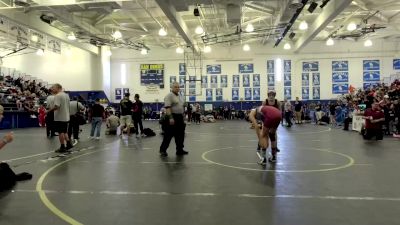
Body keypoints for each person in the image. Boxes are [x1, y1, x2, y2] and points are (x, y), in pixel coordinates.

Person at [159, 82, 188, 157]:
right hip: (172, 117)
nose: (177, 88)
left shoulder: (180, 96)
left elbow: (182, 107)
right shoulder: (169, 96)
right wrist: (171, 118)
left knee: (180, 135)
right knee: (168, 135)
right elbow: (167, 107)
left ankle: (179, 150)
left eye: (178, 87)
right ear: (172, 87)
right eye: (175, 87)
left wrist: (185, 107)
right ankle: (163, 150)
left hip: (180, 117)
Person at [47, 83, 72, 152]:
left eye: (53, 88)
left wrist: (48, 111)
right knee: (65, 131)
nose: (52, 89)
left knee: (60, 132)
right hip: (66, 116)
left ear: (58, 88)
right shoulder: (66, 95)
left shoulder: (58, 96)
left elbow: (56, 106)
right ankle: (69, 144)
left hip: (60, 117)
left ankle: (62, 146)